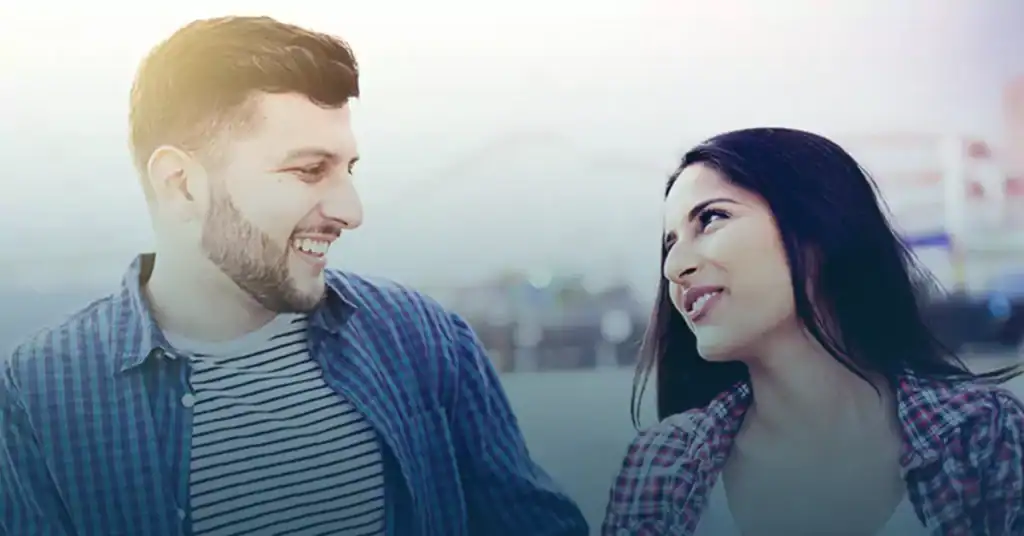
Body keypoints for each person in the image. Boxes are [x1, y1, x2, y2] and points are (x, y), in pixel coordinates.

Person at [0, 16, 588, 536]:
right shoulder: (37, 395)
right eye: (310, 170)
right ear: (181, 184)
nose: (351, 211)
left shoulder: (425, 340)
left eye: (348, 169)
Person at [602, 128, 1024, 536]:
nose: (674, 267)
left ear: (818, 230)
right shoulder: (660, 464)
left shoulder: (981, 434)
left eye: (711, 219)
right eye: (670, 242)